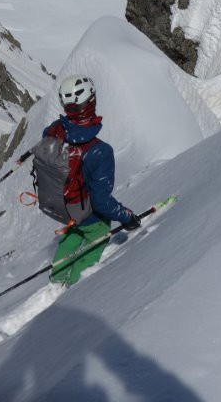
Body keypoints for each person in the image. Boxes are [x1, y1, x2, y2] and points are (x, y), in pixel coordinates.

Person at [46, 76, 140, 286]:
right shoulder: (99, 151)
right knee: (97, 233)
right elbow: (100, 200)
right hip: (82, 208)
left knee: (74, 231)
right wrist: (126, 216)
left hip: (60, 203)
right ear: (91, 101)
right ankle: (74, 284)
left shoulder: (55, 131)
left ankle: (57, 275)